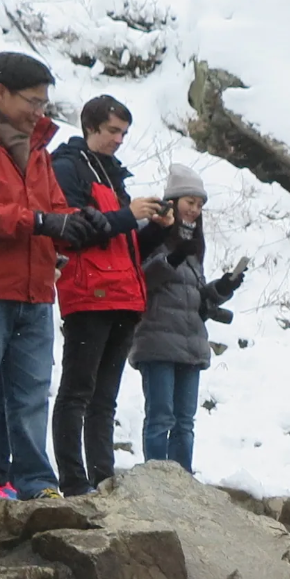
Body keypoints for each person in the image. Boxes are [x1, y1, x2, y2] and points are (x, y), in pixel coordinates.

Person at [0, 52, 105, 499]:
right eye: (33, 101)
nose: (39, 112)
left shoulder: (38, 146)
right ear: (0, 92)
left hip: (35, 290)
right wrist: (44, 224)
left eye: (44, 103)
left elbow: (51, 207)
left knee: (31, 396)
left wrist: (80, 224)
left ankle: (35, 483)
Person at [48, 94, 168, 495]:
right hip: (88, 294)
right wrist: (128, 214)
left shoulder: (113, 173)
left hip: (122, 295)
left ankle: (102, 477)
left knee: (105, 398)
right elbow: (76, 229)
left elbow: (122, 240)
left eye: (124, 132)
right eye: (114, 130)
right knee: (77, 392)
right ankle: (73, 482)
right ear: (90, 127)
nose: (120, 139)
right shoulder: (67, 167)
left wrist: (156, 226)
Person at [126, 164, 242, 473]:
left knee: (184, 423)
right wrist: (173, 257)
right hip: (157, 340)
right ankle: (156, 482)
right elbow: (142, 279)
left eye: (200, 204)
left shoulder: (194, 245)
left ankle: (183, 484)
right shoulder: (153, 234)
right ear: (173, 202)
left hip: (190, 343)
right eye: (190, 202)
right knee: (160, 418)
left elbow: (195, 296)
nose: (195, 209)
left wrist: (223, 288)